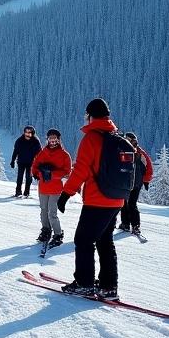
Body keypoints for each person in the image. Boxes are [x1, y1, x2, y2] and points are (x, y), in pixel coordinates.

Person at [56, 98, 131, 300]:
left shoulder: (91, 139)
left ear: (90, 116)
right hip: (116, 200)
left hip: (97, 201)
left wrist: (65, 194)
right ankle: (108, 287)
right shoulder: (114, 137)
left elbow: (80, 170)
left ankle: (84, 283)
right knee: (105, 240)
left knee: (83, 240)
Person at [31, 128, 72, 246]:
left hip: (55, 189)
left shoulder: (65, 155)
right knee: (43, 211)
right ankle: (46, 230)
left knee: (52, 213)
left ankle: (58, 234)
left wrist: (51, 174)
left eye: (55, 139)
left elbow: (67, 172)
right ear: (47, 140)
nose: (53, 141)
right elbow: (35, 165)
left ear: (59, 140)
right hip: (43, 188)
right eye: (51, 139)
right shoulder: (43, 152)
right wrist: (39, 174)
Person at [117, 131, 154, 236]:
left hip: (128, 183)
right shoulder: (140, 153)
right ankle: (132, 225)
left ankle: (129, 224)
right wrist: (146, 181)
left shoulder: (126, 152)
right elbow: (149, 168)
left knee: (127, 203)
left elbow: (148, 167)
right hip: (135, 183)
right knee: (129, 204)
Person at [11, 125, 42, 198]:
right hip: (21, 162)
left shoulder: (36, 141)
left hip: (31, 163)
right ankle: (18, 192)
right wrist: (13, 160)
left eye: (29, 132)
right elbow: (15, 151)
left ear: (32, 133)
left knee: (28, 177)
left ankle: (26, 192)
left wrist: (40, 163)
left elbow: (40, 154)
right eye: (26, 132)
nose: (27, 134)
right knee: (20, 177)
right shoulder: (19, 140)